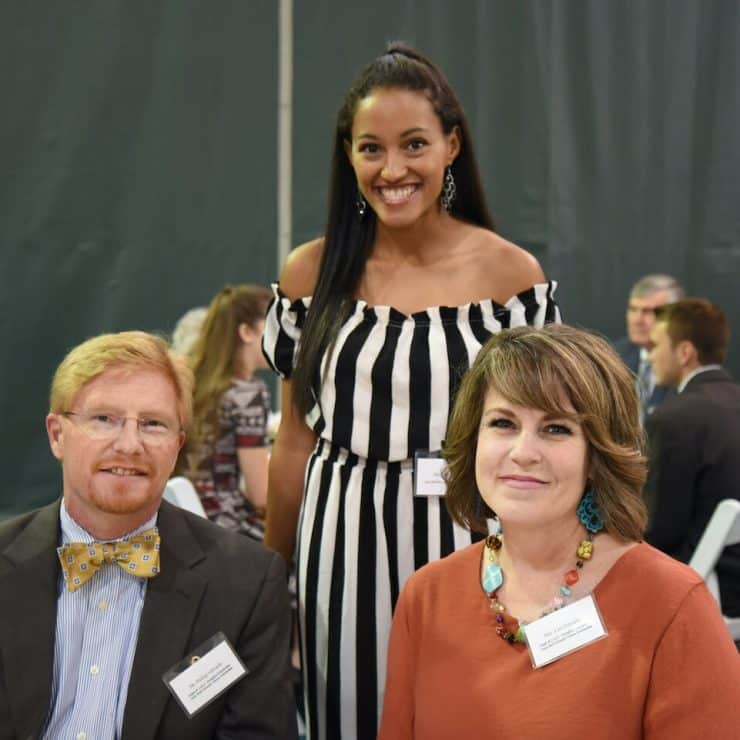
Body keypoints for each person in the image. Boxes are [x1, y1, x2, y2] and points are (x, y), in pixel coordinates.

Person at [262, 42, 560, 739]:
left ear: (451, 146)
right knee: (350, 718)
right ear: (349, 155)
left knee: (470, 715)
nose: (392, 169)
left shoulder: (511, 279)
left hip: (472, 540)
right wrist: (270, 582)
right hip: (339, 549)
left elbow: (548, 437)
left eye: (415, 144)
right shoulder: (311, 271)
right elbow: (295, 442)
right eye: (371, 148)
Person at [379, 324, 740, 740]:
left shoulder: (672, 605)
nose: (523, 452)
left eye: (556, 428)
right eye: (503, 423)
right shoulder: (427, 596)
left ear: (598, 455)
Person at [0, 331, 297, 740]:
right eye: (104, 419)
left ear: (177, 446)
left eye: (153, 424)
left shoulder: (246, 584)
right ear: (57, 435)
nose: (129, 444)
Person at [645, 298, 740, 616]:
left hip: (711, 586)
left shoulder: (673, 419)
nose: (649, 355)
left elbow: (660, 532)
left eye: (656, 345)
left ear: (685, 352)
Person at [181, 284, 273, 541]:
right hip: (224, 528)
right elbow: (261, 495)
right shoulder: (248, 394)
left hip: (184, 521)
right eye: (275, 325)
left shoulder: (192, 383)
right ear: (246, 332)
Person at [613, 274, 684, 420]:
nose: (637, 320)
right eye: (633, 309)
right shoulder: (613, 356)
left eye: (648, 312)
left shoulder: (688, 363)